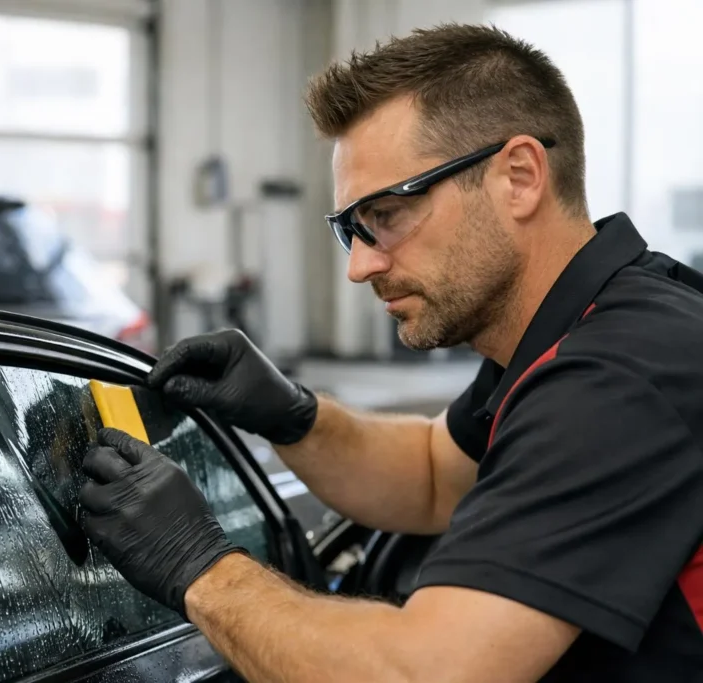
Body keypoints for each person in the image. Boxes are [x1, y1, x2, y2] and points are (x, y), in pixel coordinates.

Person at [77, 23, 703, 682]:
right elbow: (434, 475)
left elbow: (426, 673)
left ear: (519, 176)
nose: (362, 266)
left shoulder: (619, 375)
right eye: (354, 230)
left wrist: (197, 565)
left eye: (389, 214)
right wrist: (293, 416)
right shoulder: (578, 323)